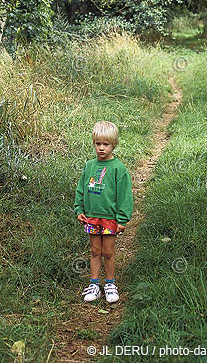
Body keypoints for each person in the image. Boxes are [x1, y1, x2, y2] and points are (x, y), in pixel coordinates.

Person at [74, 120, 133, 303]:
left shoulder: (118, 168)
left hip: (110, 219)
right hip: (92, 217)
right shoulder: (90, 166)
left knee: (108, 251)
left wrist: (122, 219)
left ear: (113, 144)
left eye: (106, 144)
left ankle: (110, 284)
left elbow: (125, 195)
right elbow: (81, 189)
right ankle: (94, 284)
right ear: (94, 143)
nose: (101, 148)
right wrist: (79, 209)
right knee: (95, 250)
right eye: (98, 144)